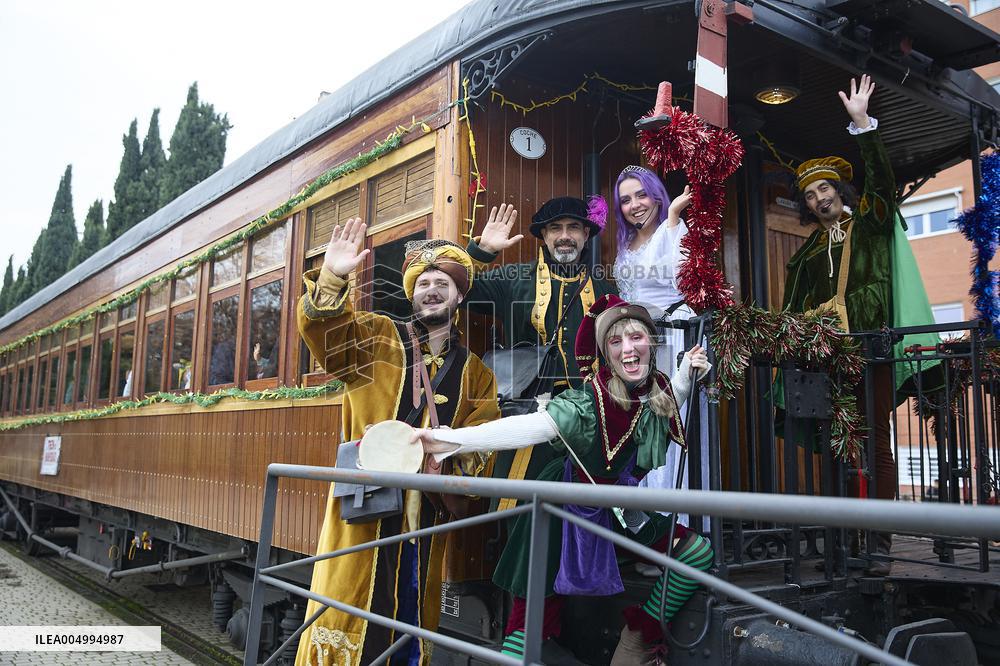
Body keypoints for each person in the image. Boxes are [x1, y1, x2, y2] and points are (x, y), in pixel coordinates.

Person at [412, 294, 713, 664]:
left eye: (636, 338)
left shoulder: (655, 388)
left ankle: (637, 637)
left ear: (651, 342)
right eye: (616, 342)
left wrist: (686, 371)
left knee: (698, 552)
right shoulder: (590, 401)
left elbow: (671, 399)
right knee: (529, 623)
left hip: (616, 513)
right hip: (560, 516)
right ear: (605, 352)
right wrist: (450, 441)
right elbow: (530, 427)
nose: (628, 349)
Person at [294, 218, 501, 665]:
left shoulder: (477, 373)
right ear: (411, 294)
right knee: (350, 616)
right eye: (423, 282)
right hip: (366, 510)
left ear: (459, 295)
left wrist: (449, 457)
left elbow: (484, 441)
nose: (431, 289)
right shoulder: (376, 338)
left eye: (442, 282)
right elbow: (327, 342)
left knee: (409, 624)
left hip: (426, 516)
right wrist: (332, 277)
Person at [782, 74, 938, 575]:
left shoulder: (867, 223)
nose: (818, 199)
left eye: (824, 189)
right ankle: (846, 539)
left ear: (838, 190)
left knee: (876, 446)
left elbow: (884, 184)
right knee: (837, 448)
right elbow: (793, 309)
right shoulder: (806, 253)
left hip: (869, 352)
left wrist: (862, 125)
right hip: (827, 360)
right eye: (809, 195)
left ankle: (880, 542)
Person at [465, 198, 617, 496]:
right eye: (555, 228)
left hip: (587, 420)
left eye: (573, 227)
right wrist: (483, 251)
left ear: (586, 235)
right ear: (544, 236)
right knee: (521, 506)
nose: (564, 235)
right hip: (526, 414)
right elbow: (458, 289)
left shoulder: (606, 291)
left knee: (583, 507)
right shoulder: (515, 279)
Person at [612, 165, 711, 540]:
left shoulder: (676, 229)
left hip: (671, 340)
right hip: (637, 346)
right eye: (625, 199)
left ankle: (678, 534)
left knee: (670, 431)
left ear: (656, 195)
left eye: (641, 195)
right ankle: (648, 534)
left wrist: (672, 218)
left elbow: (679, 278)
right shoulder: (624, 246)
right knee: (641, 435)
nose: (634, 205)